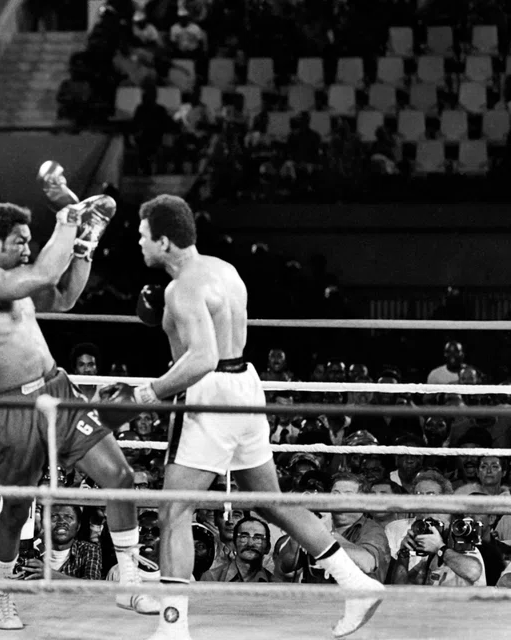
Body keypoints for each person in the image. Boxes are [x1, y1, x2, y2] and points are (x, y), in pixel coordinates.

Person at [131, 195, 383, 640]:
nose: (138, 241)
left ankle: (173, 628)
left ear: (164, 241)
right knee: (270, 500)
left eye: (143, 234)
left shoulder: (183, 286)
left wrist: (149, 391)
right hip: (246, 384)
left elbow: (203, 357)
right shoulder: (224, 269)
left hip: (208, 396)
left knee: (174, 511)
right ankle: (356, 582)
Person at [0, 191, 156, 631]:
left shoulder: (16, 284)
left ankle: (127, 581)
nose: (28, 249)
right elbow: (47, 269)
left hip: (58, 391)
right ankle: (3, 596)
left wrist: (84, 246)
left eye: (31, 241)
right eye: (21, 241)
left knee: (121, 478)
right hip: (13, 409)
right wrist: (68, 217)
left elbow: (64, 296)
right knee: (15, 510)